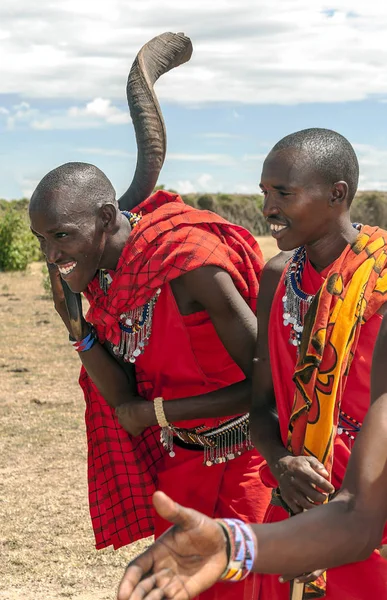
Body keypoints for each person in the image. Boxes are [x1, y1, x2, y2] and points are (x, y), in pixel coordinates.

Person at [116, 128, 387, 600]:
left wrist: (232, 544)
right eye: (264, 193)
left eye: (284, 193)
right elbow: (260, 407)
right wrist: (282, 463)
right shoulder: (279, 277)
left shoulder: (380, 290)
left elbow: (363, 510)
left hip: (369, 523)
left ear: (337, 195)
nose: (268, 209)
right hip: (291, 508)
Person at [29, 162, 272, 600]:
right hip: (178, 463)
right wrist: (76, 328)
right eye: (41, 240)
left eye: (61, 235)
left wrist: (159, 413)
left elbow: (267, 385)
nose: (51, 255)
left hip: (249, 466)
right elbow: (125, 404)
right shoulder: (107, 280)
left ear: (106, 218)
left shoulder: (191, 264)